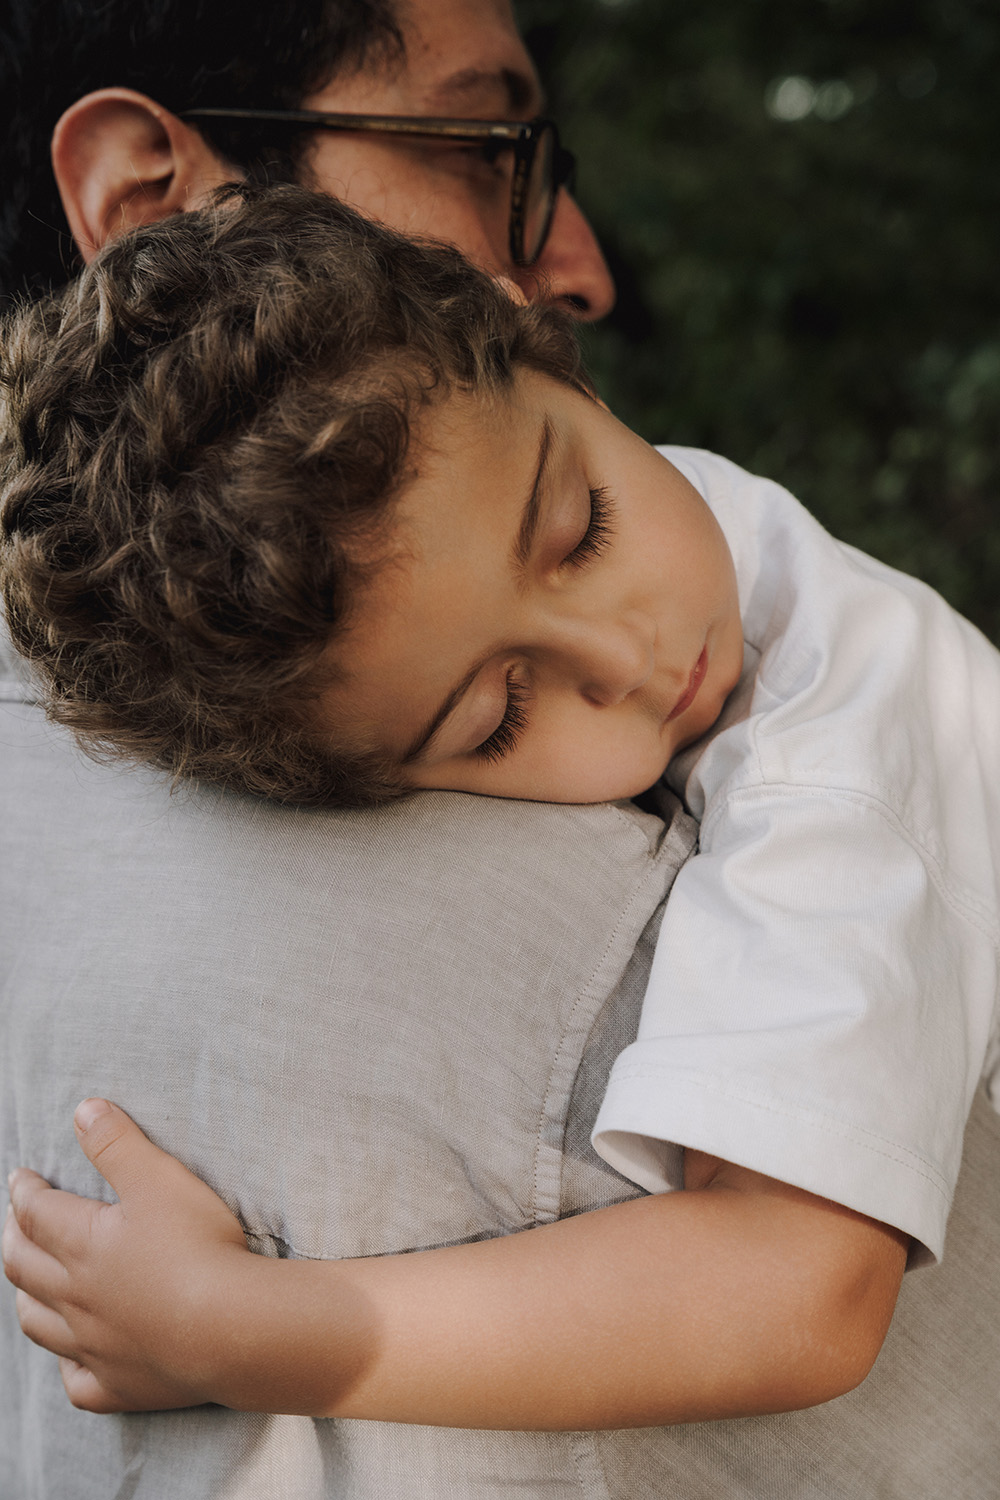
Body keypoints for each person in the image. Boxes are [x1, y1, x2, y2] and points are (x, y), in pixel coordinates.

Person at [1, 3, 997, 1493]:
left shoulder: (846, 714)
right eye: (498, 717)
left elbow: (801, 1285)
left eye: (581, 524)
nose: (639, 657)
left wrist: (268, 1330)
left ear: (545, 360)